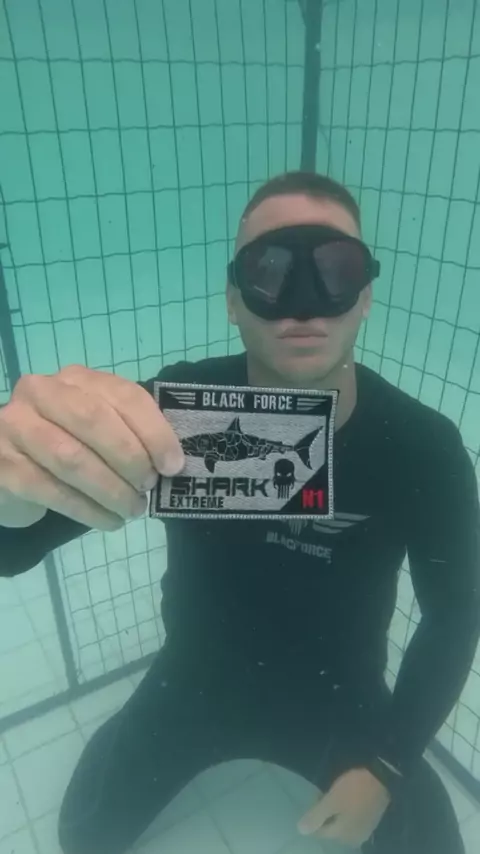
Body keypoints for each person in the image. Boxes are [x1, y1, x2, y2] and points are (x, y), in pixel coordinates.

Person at [0, 172, 479, 854]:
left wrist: (386, 761)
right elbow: (14, 545)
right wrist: (13, 491)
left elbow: (454, 613)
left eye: (336, 271)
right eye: (271, 271)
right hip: (195, 676)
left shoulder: (422, 446)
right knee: (85, 832)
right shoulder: (176, 412)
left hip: (341, 695)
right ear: (233, 300)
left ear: (366, 296)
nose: (303, 306)